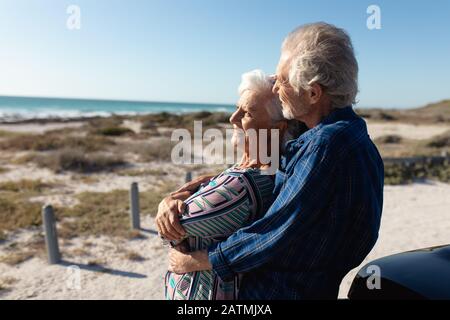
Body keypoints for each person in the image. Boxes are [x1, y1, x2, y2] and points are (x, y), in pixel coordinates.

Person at [158, 22, 384, 299]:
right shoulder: (347, 133)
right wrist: (184, 191)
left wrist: (202, 260)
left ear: (313, 93)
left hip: (282, 291)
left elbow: (277, 228)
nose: (276, 87)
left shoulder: (325, 145)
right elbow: (256, 171)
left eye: (282, 80)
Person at [159, 69, 305, 300]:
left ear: (278, 129)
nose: (233, 118)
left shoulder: (245, 183)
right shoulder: (253, 170)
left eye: (247, 113)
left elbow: (173, 228)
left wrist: (170, 204)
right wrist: (171, 199)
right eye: (237, 108)